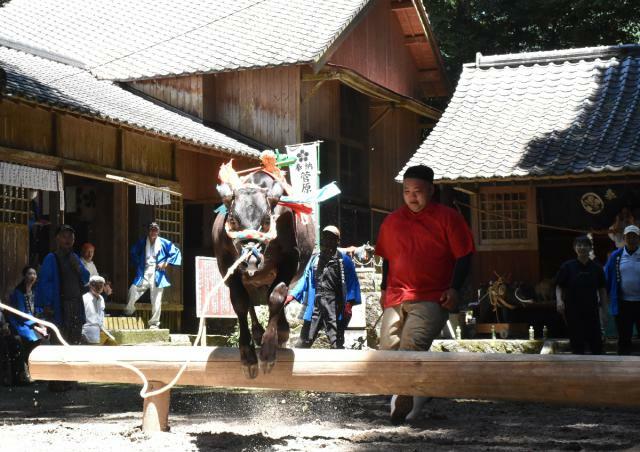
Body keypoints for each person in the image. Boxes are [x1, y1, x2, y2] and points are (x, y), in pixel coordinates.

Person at [375, 165, 475, 424]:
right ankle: (419, 393)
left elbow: (464, 255)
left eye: (417, 191)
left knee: (412, 346)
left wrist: (455, 288)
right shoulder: (392, 221)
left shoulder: (448, 218)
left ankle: (405, 403)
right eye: (407, 191)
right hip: (396, 295)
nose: (412, 196)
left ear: (431, 190)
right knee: (387, 348)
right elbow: (387, 258)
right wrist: (384, 287)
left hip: (433, 295)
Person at [288, 225, 361, 349]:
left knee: (336, 342)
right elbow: (305, 279)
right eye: (325, 238)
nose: (327, 241)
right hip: (315, 303)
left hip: (334, 304)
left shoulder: (345, 261)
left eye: (332, 238)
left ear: (337, 241)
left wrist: (349, 303)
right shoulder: (315, 260)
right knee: (304, 341)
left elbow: (352, 283)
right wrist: (291, 295)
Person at [36, 224, 90, 345]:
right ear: (58, 239)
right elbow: (45, 283)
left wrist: (78, 267)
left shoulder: (75, 257)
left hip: (76, 304)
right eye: (64, 237)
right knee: (60, 340)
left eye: (70, 237)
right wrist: (48, 304)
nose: (67, 240)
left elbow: (86, 278)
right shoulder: (51, 258)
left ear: (74, 240)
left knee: (75, 339)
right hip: (60, 305)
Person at [555, 236, 607, 355]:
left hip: (592, 310)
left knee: (596, 344)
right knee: (577, 344)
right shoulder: (567, 266)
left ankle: (598, 370)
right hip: (573, 310)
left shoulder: (597, 268)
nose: (582, 247)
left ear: (590, 248)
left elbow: (602, 290)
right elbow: (559, 286)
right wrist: (559, 301)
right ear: (574, 248)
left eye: (585, 245)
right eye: (579, 245)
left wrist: (604, 310)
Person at [125, 222, 182, 329]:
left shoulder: (164, 242)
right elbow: (133, 252)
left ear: (158, 231)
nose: (153, 232)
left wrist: (165, 263)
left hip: (158, 273)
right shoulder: (142, 242)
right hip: (144, 271)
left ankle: (154, 323)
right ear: (148, 230)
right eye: (151, 229)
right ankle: (129, 311)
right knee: (133, 289)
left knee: (156, 299)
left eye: (155, 230)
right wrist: (139, 262)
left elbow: (176, 252)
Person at [7, 266, 49, 384]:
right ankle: (28, 373)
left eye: (34, 274)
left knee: (44, 338)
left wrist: (41, 323)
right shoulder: (19, 292)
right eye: (30, 274)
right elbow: (21, 314)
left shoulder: (35, 291)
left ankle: (40, 373)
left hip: (32, 321)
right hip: (20, 323)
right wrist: (36, 326)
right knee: (35, 338)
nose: (32, 276)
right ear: (24, 276)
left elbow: (38, 309)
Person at [605, 224, 640, 355]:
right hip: (623, 302)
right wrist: (604, 297)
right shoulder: (616, 256)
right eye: (629, 236)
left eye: (634, 236)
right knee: (624, 336)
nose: (631, 239)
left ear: (639, 238)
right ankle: (623, 364)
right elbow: (607, 277)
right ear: (624, 238)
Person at [81, 275, 107, 344]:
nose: (99, 288)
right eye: (96, 285)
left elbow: (101, 315)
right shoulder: (84, 298)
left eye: (101, 285)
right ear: (90, 286)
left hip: (97, 334)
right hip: (85, 334)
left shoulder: (101, 299)